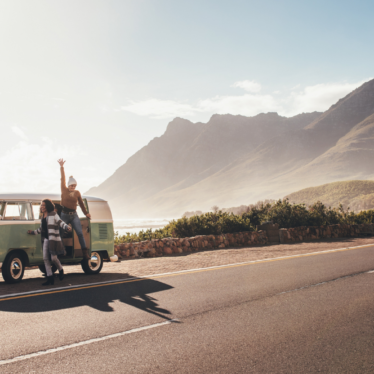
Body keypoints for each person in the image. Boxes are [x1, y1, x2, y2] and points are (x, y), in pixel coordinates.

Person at [28, 199, 71, 286]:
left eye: (44, 205)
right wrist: (32, 232)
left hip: (53, 239)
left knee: (53, 258)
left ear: (47, 206)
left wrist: (66, 227)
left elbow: (60, 222)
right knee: (45, 259)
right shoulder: (43, 217)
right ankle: (50, 278)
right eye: (41, 205)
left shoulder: (53, 214)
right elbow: (41, 229)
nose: (42, 207)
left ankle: (61, 270)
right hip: (46, 239)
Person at [58, 158, 91, 259]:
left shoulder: (77, 193)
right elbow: (63, 178)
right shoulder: (64, 189)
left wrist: (86, 213)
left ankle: (85, 253)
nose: (73, 187)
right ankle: (62, 251)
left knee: (80, 233)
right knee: (60, 233)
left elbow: (81, 203)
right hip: (64, 215)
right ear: (68, 185)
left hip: (74, 215)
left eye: (75, 185)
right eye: (72, 185)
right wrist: (62, 167)